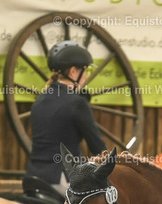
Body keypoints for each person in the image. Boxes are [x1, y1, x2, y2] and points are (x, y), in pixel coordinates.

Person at [26, 40, 107, 192]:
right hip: (62, 179)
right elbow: (98, 149)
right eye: (85, 71)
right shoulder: (76, 102)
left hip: (33, 177)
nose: (86, 76)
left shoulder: (39, 100)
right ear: (73, 71)